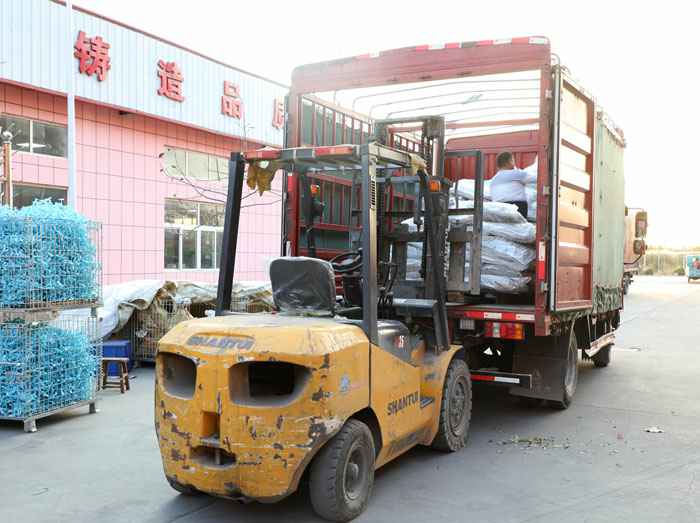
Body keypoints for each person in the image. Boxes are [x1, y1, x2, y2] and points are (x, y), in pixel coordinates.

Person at [490, 151, 536, 218]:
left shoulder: (493, 179)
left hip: (498, 209)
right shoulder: (515, 173)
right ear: (510, 161)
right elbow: (537, 178)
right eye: (513, 160)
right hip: (516, 207)